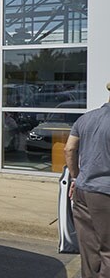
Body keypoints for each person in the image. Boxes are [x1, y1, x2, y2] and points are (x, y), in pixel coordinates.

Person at [66, 82, 110, 277]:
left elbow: (69, 149)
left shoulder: (85, 118)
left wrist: (76, 177)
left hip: (83, 191)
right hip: (105, 194)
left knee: (89, 250)